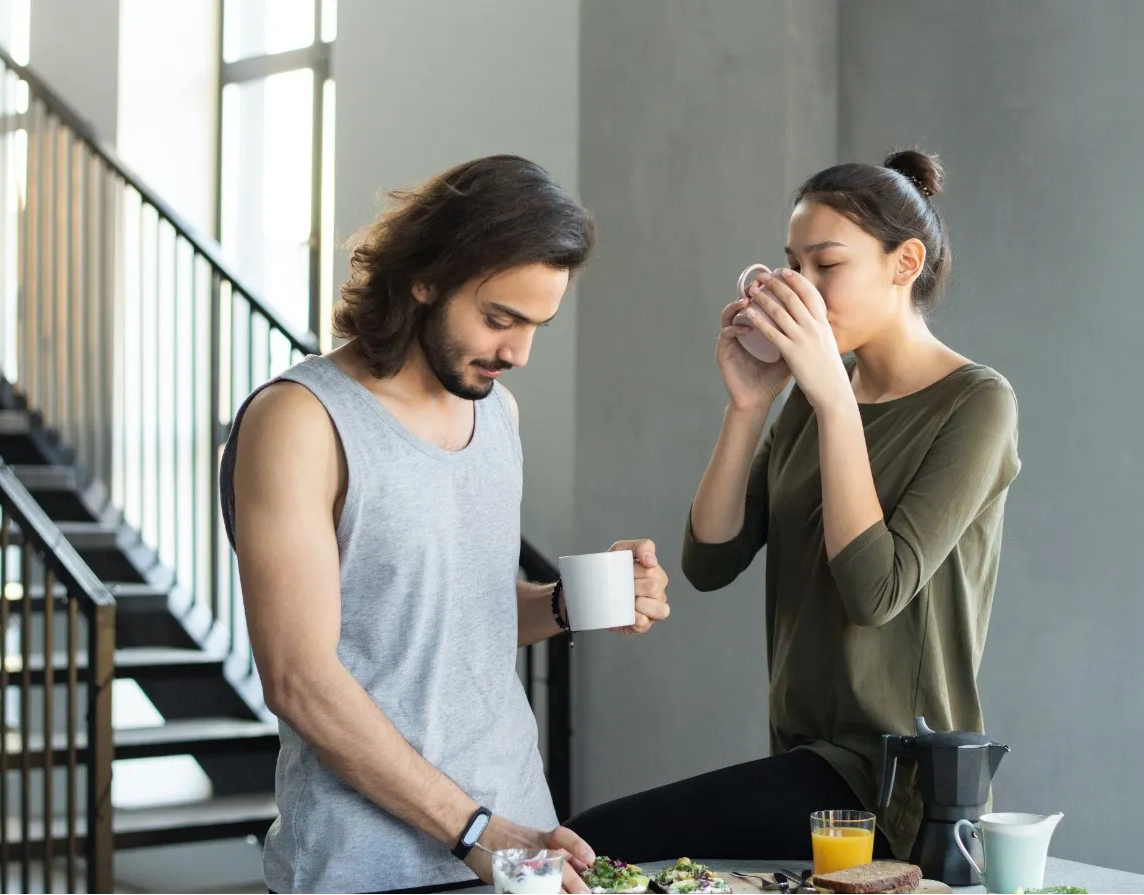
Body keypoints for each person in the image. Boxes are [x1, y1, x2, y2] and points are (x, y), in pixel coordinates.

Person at [221, 155, 672, 894]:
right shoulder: (300, 420)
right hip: (364, 866)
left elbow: (455, 614)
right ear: (424, 277)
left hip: (521, 845)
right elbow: (299, 678)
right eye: (500, 319)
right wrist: (474, 830)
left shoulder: (495, 412)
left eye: (536, 326)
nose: (517, 353)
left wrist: (574, 601)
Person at [566, 150, 1020, 865]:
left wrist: (833, 400)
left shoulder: (974, 403)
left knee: (592, 844)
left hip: (895, 780)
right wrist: (748, 405)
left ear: (904, 263)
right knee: (597, 849)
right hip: (805, 755)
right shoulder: (813, 395)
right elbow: (710, 559)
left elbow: (874, 590)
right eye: (791, 265)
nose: (799, 289)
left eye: (825, 265)